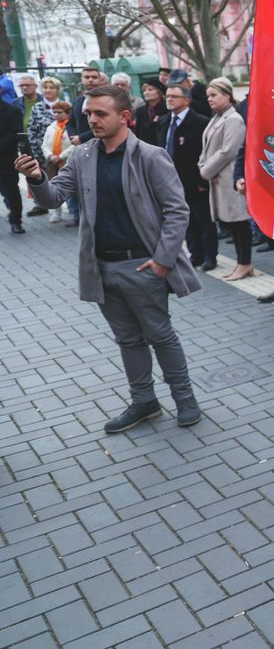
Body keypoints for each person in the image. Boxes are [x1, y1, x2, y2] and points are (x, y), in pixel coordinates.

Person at [17, 85, 204, 432]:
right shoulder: (84, 155)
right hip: (101, 267)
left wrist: (162, 261)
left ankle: (185, 400)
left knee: (160, 336)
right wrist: (38, 177)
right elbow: (56, 197)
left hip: (143, 266)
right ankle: (144, 401)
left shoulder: (149, 155)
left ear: (125, 117)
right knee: (128, 340)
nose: (92, 119)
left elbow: (177, 211)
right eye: (89, 113)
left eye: (100, 113)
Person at [197, 78, 254, 281]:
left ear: (227, 95)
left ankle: (245, 263)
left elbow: (228, 151)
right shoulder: (217, 118)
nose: (209, 99)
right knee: (232, 224)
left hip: (229, 177)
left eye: (214, 95)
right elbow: (207, 148)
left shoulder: (233, 119)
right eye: (208, 96)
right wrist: (203, 165)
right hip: (218, 177)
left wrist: (205, 171)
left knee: (239, 223)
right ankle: (241, 263)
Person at [157, 83, 216, 271]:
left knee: (203, 219)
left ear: (186, 100)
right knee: (185, 220)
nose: (169, 99)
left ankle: (210, 256)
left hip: (194, 180)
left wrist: (202, 180)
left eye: (174, 96)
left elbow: (205, 153)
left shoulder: (200, 122)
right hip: (171, 180)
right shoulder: (164, 121)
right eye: (167, 96)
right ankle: (195, 253)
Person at [40, 101, 76, 224]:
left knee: (69, 188)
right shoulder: (51, 127)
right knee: (52, 186)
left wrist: (61, 156)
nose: (56, 114)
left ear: (67, 113)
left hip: (66, 161)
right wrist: (49, 155)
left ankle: (74, 213)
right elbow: (44, 144)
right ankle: (56, 213)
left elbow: (74, 145)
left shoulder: (70, 127)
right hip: (52, 163)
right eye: (54, 112)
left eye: (59, 112)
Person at [0, 100, 25, 233]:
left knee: (12, 192)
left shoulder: (12, 111)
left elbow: (14, 133)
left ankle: (16, 222)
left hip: (6, 159)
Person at [67, 66, 104, 147]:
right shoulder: (77, 100)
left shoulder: (105, 99)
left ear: (99, 79)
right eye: (87, 77)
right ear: (81, 80)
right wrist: (73, 137)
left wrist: (81, 137)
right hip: (80, 147)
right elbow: (70, 123)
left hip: (100, 144)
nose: (90, 80)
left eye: (94, 77)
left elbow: (105, 124)